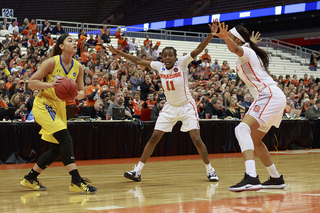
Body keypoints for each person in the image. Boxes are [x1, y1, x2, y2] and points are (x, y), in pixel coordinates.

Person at [107, 20, 220, 182]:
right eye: (165, 55)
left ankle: (210, 170)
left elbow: (198, 49)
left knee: (196, 139)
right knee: (154, 138)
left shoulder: (182, 63)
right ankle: (137, 171)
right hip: (170, 107)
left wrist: (211, 35)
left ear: (175, 57)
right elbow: (138, 61)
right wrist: (119, 52)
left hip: (187, 106)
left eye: (170, 55)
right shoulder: (159, 66)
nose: (167, 58)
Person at [20, 34, 97, 194]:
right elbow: (32, 83)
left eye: (75, 41)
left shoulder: (78, 67)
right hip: (44, 104)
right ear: (61, 46)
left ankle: (30, 178)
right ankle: (76, 180)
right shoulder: (51, 62)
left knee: (57, 150)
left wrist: (77, 94)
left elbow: (81, 91)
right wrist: (51, 84)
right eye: (70, 40)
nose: (74, 43)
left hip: (60, 108)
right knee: (66, 139)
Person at [213, 22, 286, 192]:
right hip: (272, 96)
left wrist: (227, 39)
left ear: (236, 40)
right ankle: (276, 178)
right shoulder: (248, 49)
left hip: (268, 95)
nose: (227, 38)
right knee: (255, 140)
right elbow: (242, 47)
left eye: (230, 36)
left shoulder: (244, 51)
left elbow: (236, 49)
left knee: (241, 130)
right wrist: (247, 40)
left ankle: (251, 177)